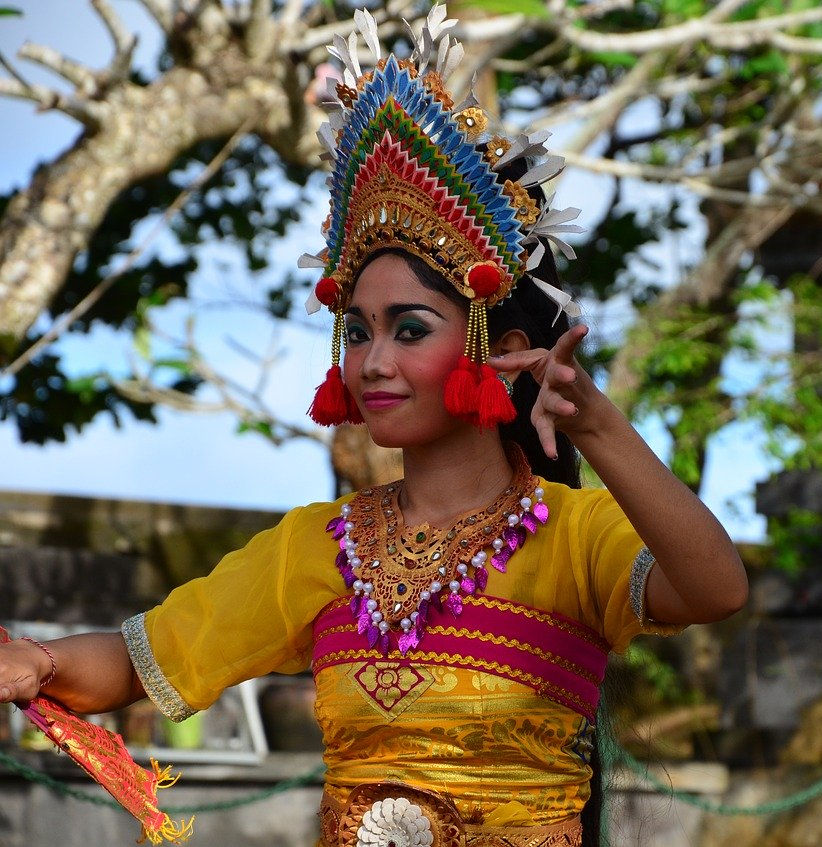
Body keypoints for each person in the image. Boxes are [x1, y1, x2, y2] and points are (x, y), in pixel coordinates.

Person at [0, 7, 747, 847]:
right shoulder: (314, 548)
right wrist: (41, 661)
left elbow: (716, 587)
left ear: (498, 349)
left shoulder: (574, 538)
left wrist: (601, 427)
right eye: (357, 331)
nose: (374, 359)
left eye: (409, 328)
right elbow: (149, 658)